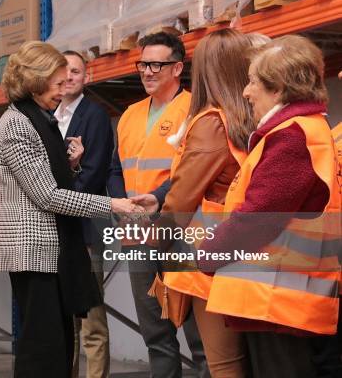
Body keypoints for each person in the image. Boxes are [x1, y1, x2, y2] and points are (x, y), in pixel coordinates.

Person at [0, 40, 139, 378]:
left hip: (50, 249)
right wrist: (111, 203)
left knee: (58, 343)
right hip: (33, 251)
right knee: (43, 347)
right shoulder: (17, 125)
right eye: (57, 83)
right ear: (36, 80)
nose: (63, 89)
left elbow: (45, 178)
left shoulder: (38, 118)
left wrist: (70, 165)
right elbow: (48, 197)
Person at [198, 35, 341, 378]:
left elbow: (259, 218)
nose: (246, 92)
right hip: (285, 298)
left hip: (277, 302)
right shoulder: (305, 130)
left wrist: (208, 253)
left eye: (252, 82)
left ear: (278, 90)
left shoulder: (290, 137)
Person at [151, 29, 254, 377]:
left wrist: (158, 244)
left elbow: (182, 196)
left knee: (222, 363)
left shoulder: (211, 123)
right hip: (245, 250)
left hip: (209, 257)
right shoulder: (246, 118)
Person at [107, 32, 208, 378]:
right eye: (142, 64)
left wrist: (158, 201)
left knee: (200, 338)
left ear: (177, 67)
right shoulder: (129, 116)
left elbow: (191, 174)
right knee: (156, 334)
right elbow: (114, 168)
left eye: (156, 64)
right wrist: (122, 205)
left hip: (179, 234)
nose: (147, 71)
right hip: (137, 234)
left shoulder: (195, 110)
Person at [54, 50, 113, 378]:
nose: (70, 77)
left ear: (86, 78)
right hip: (59, 232)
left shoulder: (95, 116)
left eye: (76, 71)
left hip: (85, 229)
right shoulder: (52, 116)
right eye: (65, 71)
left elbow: (93, 174)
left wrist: (56, 197)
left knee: (91, 320)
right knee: (67, 320)